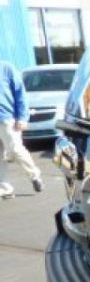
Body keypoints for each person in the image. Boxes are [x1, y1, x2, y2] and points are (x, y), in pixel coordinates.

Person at [0, 61, 43, 199]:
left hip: (7, 118)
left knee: (15, 150)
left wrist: (23, 117)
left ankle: (34, 175)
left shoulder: (6, 68)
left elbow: (20, 93)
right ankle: (5, 188)